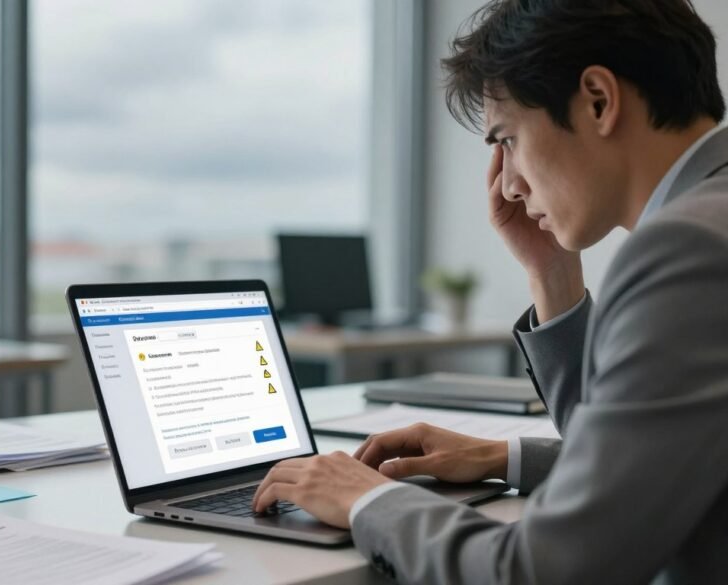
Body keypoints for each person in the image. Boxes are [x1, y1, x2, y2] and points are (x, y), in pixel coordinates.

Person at [251, 0, 728, 582]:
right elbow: (674, 459)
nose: (506, 183)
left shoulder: (688, 250)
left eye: (507, 140)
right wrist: (552, 275)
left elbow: (543, 571)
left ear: (598, 101)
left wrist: (367, 499)